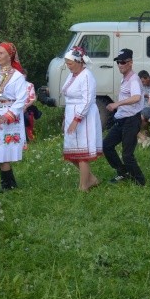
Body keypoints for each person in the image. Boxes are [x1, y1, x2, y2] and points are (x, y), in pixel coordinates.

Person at [0, 42, 29, 190]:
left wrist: (9, 115)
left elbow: (21, 99)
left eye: (1, 53)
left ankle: (8, 185)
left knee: (2, 152)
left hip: (7, 116)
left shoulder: (17, 77)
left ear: (10, 56)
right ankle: (9, 183)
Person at [61, 46, 104, 192]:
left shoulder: (86, 76)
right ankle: (90, 179)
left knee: (82, 152)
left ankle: (83, 186)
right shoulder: (72, 75)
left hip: (84, 116)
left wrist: (76, 119)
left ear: (79, 61)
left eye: (70, 63)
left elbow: (87, 100)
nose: (68, 66)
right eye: (67, 63)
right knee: (72, 152)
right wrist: (67, 118)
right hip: (71, 112)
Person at [103, 49, 147, 186]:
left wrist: (117, 104)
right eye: (118, 62)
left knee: (127, 155)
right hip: (121, 120)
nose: (120, 64)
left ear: (130, 63)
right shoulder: (125, 78)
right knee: (107, 146)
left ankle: (140, 182)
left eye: (123, 61)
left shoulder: (134, 79)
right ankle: (123, 172)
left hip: (131, 120)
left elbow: (136, 97)